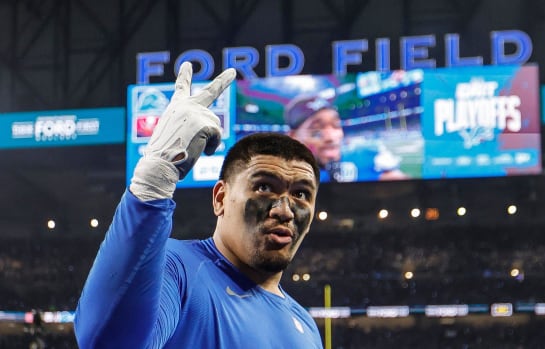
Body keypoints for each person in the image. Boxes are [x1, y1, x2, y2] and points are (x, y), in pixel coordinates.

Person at [74, 62, 323, 348]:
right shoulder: (176, 267)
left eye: (302, 194)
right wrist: (152, 182)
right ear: (220, 199)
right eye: (264, 187)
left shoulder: (306, 326)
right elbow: (109, 342)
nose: (284, 210)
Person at [285, 93, 409, 182]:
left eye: (336, 125)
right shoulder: (282, 177)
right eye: (317, 129)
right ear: (293, 137)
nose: (332, 137)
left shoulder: (363, 158)